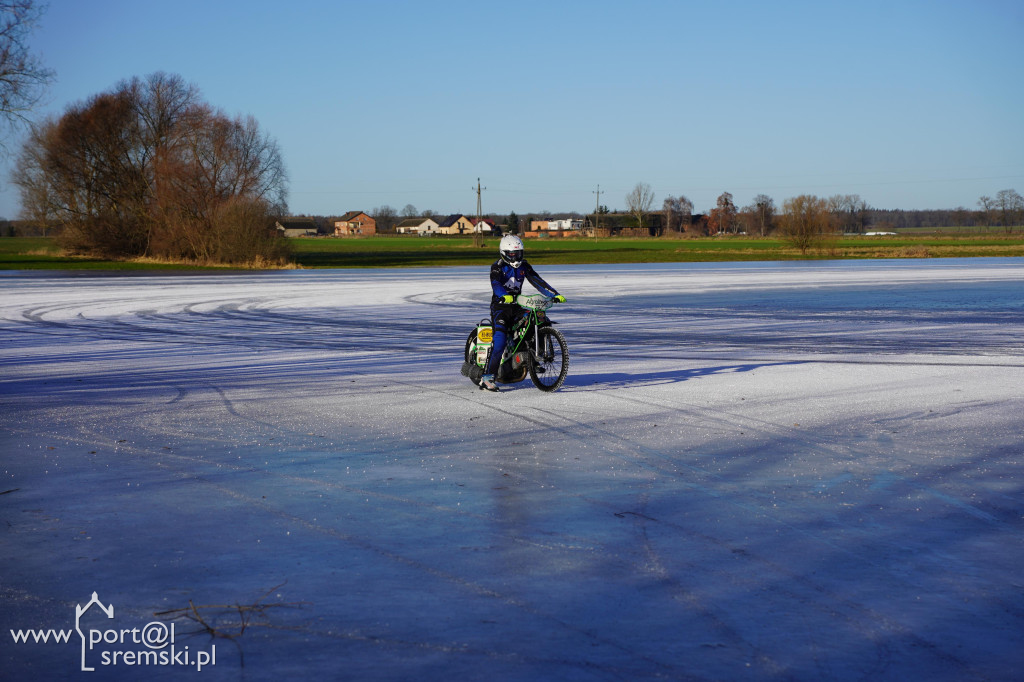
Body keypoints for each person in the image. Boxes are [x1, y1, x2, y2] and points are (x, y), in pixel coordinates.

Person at [479, 234, 566, 392]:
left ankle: (533, 360)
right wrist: (503, 296)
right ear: (504, 253)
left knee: (535, 320)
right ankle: (487, 377)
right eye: (512, 254)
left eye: (518, 254)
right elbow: (495, 283)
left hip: (518, 304)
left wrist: (554, 294)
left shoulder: (524, 266)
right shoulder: (497, 266)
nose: (515, 257)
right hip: (500, 306)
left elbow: (538, 281)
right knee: (500, 339)